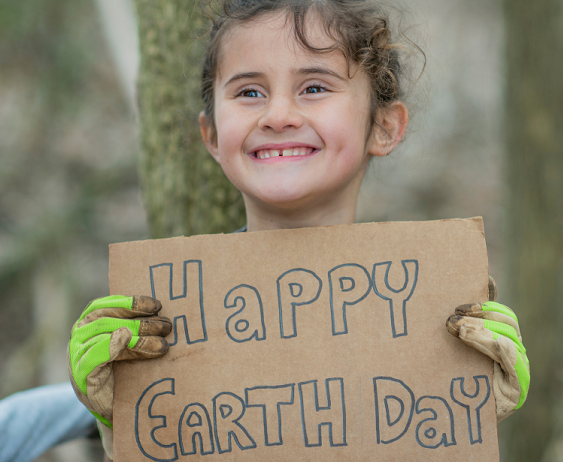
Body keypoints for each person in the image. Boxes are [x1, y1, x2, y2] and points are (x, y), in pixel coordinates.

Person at [67, 0, 530, 459]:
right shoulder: (159, 320)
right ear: (211, 136)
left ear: (384, 127)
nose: (278, 114)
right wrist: (123, 412)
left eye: (313, 87)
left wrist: (476, 406)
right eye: (249, 92)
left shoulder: (430, 310)